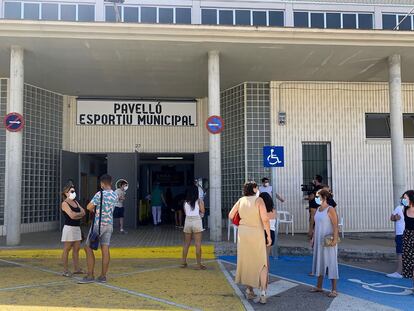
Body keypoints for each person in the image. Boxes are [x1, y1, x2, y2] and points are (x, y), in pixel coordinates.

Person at [229, 181, 271, 304]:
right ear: (253, 189)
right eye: (256, 187)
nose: (258, 189)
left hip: (243, 233)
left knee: (246, 261)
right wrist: (268, 236)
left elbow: (231, 215)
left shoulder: (241, 200)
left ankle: (249, 291)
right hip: (256, 232)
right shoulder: (259, 201)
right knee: (262, 262)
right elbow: (265, 219)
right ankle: (263, 292)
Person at [79, 174, 118, 284]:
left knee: (88, 248)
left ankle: (90, 275)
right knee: (105, 249)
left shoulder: (99, 194)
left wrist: (94, 210)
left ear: (102, 183)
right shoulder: (115, 195)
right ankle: (103, 276)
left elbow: (88, 207)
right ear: (110, 183)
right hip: (109, 225)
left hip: (98, 225)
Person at [310, 189, 339, 298]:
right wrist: (313, 238)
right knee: (320, 261)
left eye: (318, 196)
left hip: (328, 240)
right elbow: (316, 225)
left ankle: (334, 289)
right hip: (319, 239)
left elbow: (335, 225)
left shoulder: (330, 209)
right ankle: (319, 286)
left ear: (324, 197)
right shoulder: (318, 209)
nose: (316, 198)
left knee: (331, 262)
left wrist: (335, 240)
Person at [61, 184, 86, 277]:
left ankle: (76, 268)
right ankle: (65, 270)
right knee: (67, 249)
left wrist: (77, 214)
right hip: (69, 228)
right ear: (66, 193)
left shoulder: (75, 202)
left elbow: (83, 212)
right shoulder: (64, 203)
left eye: (74, 191)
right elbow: (72, 216)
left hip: (77, 228)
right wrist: (78, 214)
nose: (73, 193)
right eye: (71, 191)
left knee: (76, 249)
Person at [181, 185, 206, 270]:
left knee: (186, 243)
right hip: (196, 221)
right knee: (198, 244)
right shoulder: (199, 201)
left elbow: (185, 213)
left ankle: (183, 262)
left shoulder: (185, 202)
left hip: (187, 221)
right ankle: (198, 264)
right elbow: (203, 211)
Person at [386, 195, 405, 278]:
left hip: (408, 233)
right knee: (400, 252)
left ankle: (402, 271)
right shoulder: (399, 208)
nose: (403, 199)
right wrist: (395, 217)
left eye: (405, 198)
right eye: (402, 198)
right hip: (400, 233)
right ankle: (399, 271)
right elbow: (392, 217)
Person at [259, 192, 277, 265]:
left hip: (262, 233)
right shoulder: (273, 210)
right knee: (266, 257)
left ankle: (260, 274)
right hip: (271, 233)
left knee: (260, 257)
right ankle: (266, 274)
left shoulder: (261, 211)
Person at [402, 190, 414, 280]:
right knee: (409, 261)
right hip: (407, 237)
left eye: (405, 198)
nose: (403, 200)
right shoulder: (405, 209)